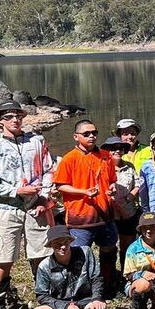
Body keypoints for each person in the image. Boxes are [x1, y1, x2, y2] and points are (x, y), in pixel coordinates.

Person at [0, 100, 55, 309]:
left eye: (18, 116)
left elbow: (49, 170)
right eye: (8, 117)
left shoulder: (37, 141)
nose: (15, 120)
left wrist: (44, 197)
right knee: (5, 258)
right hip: (8, 208)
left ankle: (45, 298)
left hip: (36, 207)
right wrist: (16, 190)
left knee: (41, 255)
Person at [53, 118, 119, 297]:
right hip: (80, 217)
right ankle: (79, 291)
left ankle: (108, 285)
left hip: (105, 215)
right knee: (79, 254)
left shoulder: (105, 156)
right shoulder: (69, 158)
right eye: (86, 134)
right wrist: (83, 192)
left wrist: (112, 188)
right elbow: (60, 185)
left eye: (94, 133)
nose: (92, 136)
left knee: (108, 249)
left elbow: (112, 180)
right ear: (76, 136)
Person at [28, 225, 107, 309]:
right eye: (58, 244)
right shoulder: (44, 266)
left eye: (65, 242)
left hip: (86, 301)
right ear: (51, 245)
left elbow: (96, 278)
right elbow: (42, 295)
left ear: (70, 241)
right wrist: (65, 307)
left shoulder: (86, 252)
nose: (63, 247)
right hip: (59, 304)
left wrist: (97, 299)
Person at [102, 136, 140, 257]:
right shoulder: (101, 167)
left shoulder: (130, 166)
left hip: (128, 213)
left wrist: (128, 199)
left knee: (128, 247)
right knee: (108, 248)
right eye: (113, 148)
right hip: (109, 215)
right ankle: (110, 268)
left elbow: (138, 185)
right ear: (107, 150)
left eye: (120, 148)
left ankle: (126, 268)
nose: (117, 151)